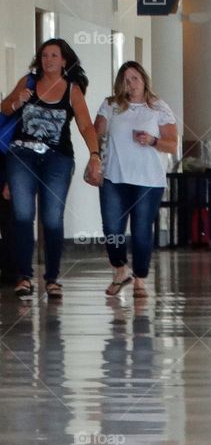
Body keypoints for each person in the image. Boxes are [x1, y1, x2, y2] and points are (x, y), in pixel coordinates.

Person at [0, 38, 101, 300]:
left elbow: (86, 125)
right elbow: (4, 108)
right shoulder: (28, 82)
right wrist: (16, 102)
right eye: (45, 55)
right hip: (22, 155)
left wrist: (94, 155)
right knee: (22, 216)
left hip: (57, 159)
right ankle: (23, 276)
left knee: (52, 219)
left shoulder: (72, 90)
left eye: (54, 56)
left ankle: (52, 278)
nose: (49, 60)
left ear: (64, 60)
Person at [94, 61, 178, 298]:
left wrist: (152, 141)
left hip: (148, 180)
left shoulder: (159, 107)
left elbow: (172, 144)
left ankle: (140, 278)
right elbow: (95, 133)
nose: (131, 84)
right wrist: (94, 160)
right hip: (114, 176)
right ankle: (120, 269)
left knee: (141, 229)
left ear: (144, 80)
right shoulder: (111, 105)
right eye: (126, 80)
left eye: (135, 79)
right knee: (112, 227)